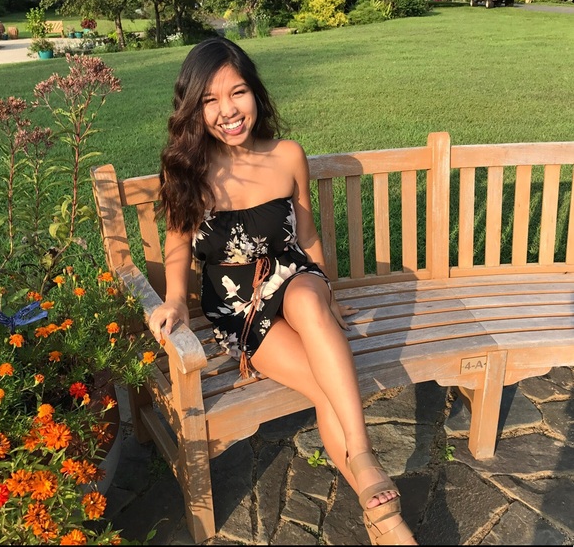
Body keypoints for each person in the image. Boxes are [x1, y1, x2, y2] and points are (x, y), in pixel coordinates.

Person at [148, 36, 417, 546]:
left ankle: (362, 454)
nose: (228, 110)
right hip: (238, 305)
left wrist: (328, 289)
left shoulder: (287, 155)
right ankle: (384, 521)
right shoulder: (185, 170)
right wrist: (177, 299)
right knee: (324, 386)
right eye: (210, 99)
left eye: (238, 92)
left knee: (310, 300)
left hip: (294, 275)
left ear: (256, 93)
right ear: (193, 109)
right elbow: (178, 244)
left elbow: (307, 235)